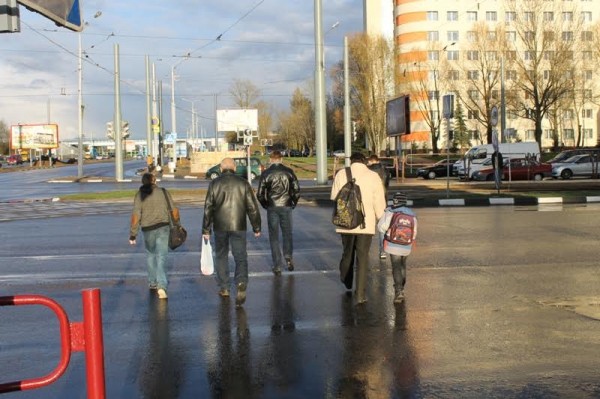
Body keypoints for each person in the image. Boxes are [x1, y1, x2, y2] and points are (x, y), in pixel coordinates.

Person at [202, 157, 262, 307]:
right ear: (234, 168)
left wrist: (206, 229)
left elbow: (208, 207)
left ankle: (225, 287)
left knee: (221, 256)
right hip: (238, 225)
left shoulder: (214, 184)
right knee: (240, 256)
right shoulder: (243, 183)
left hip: (220, 226)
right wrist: (256, 227)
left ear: (221, 169)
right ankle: (241, 282)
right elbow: (252, 208)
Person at [330, 152, 386, 304]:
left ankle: (346, 279)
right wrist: (381, 218)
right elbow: (379, 202)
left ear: (351, 161)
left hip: (345, 222)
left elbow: (334, 196)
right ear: (365, 162)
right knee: (363, 258)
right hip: (365, 224)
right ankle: (360, 294)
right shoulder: (373, 176)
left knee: (347, 253)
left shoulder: (341, 173)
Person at [129, 172, 180, 300]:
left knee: (151, 254)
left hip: (147, 229)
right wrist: (178, 224)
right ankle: (161, 286)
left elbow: (136, 215)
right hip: (163, 227)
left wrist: (133, 234)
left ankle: (152, 282)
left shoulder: (139, 195)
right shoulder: (163, 192)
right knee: (161, 256)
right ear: (154, 181)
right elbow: (173, 210)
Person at [257, 150, 301, 276]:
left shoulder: (266, 173)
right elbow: (297, 191)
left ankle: (277, 265)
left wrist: (266, 205)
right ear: (281, 159)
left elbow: (260, 194)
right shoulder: (289, 172)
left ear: (271, 160)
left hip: (272, 207)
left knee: (274, 236)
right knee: (287, 233)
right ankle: (288, 257)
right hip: (286, 206)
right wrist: (293, 203)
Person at [377, 192, 418, 304]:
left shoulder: (390, 212)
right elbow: (414, 233)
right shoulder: (412, 215)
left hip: (392, 245)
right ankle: (402, 286)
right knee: (402, 266)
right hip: (406, 246)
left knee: (396, 267)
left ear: (395, 201)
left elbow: (381, 227)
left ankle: (398, 291)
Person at [367, 154, 391, 259]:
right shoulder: (385, 170)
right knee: (382, 227)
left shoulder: (367, 171)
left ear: (372, 161)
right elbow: (387, 185)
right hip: (382, 201)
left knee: (368, 227)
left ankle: (365, 250)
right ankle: (383, 251)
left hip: (369, 202)